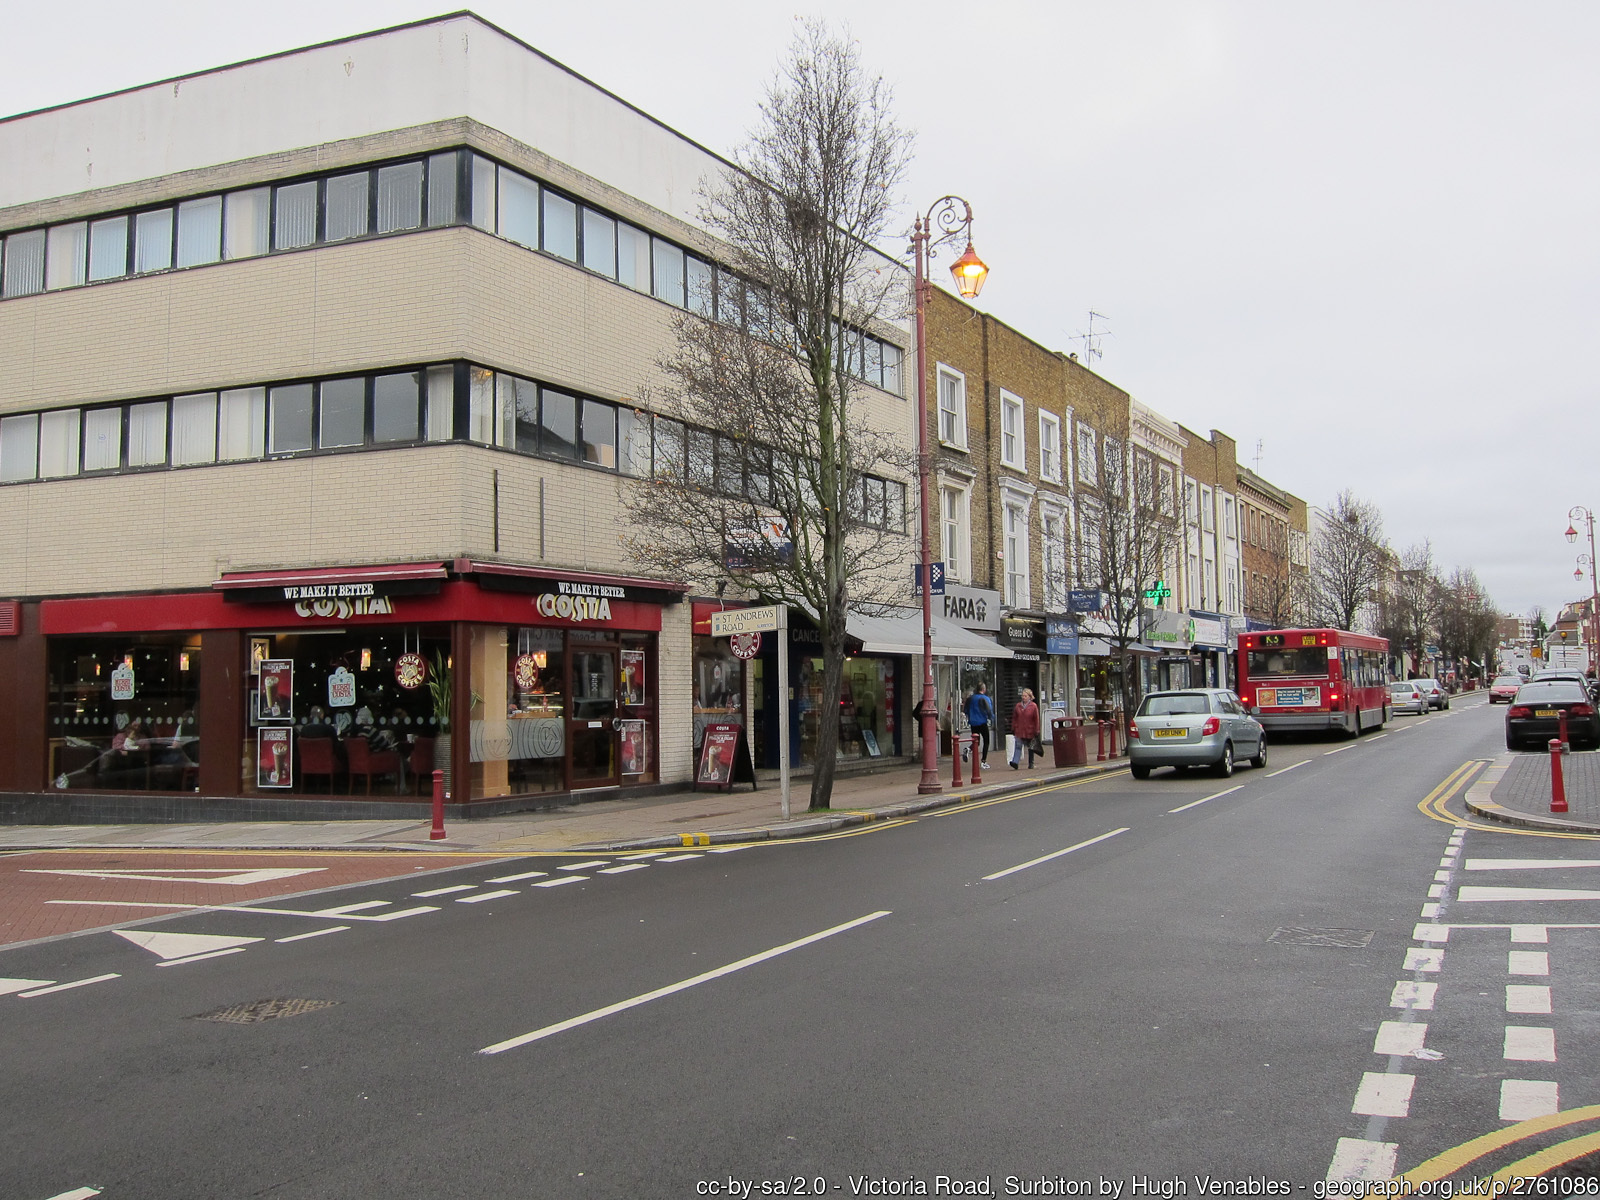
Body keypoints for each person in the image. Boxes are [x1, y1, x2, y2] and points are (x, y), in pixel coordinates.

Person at [964, 683, 995, 765]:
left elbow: (965, 710)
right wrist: (992, 718)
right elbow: (989, 710)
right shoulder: (985, 698)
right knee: (986, 741)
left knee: (976, 742)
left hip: (973, 723)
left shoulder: (970, 698)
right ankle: (983, 761)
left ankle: (969, 749)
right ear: (984, 689)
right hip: (982, 722)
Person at [1009, 688, 1041, 770]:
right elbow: (1014, 718)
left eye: (1025, 696)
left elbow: (1036, 719)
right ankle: (1015, 762)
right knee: (1018, 746)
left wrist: (1037, 730)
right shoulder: (1018, 706)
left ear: (1030, 697)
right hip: (1019, 730)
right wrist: (1013, 727)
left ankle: (1031, 763)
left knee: (1031, 747)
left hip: (1030, 730)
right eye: (1022, 696)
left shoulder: (1033, 706)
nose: (1023, 697)